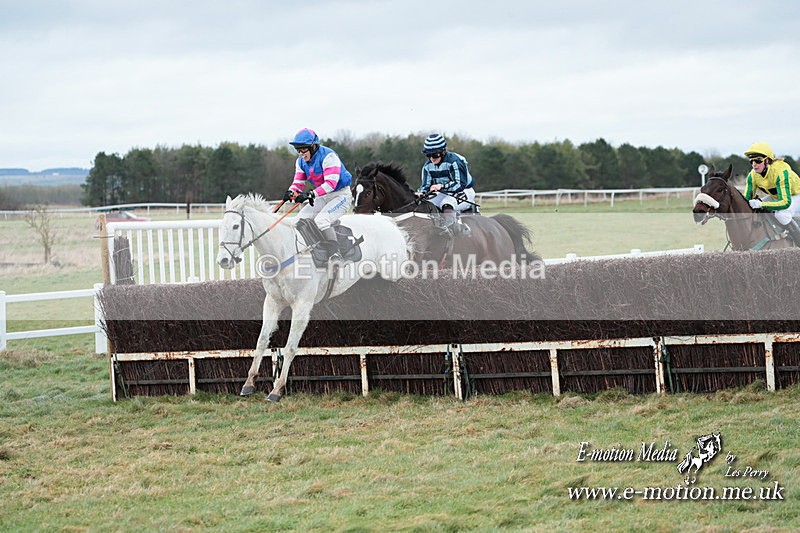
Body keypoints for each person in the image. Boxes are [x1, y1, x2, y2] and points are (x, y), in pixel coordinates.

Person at [283, 128, 353, 265]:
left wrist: (310, 194)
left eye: (304, 150)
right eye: (298, 150)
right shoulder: (300, 162)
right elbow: (298, 183)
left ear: (313, 146)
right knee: (300, 219)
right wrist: (291, 192)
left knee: (322, 220)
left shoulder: (329, 157)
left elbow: (331, 184)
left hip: (341, 195)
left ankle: (335, 253)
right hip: (323, 196)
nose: (301, 154)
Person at [415, 133, 476, 237]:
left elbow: (460, 184)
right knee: (425, 204)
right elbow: (425, 185)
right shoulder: (427, 166)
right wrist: (421, 193)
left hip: (465, 190)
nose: (432, 159)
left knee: (446, 203)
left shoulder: (455, 161)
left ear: (443, 152)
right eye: (428, 155)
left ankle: (456, 229)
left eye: (435, 155)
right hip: (444, 193)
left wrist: (441, 186)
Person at [743, 141, 800, 246]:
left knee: (782, 215)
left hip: (796, 196)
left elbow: (785, 202)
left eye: (758, 160)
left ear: (768, 160)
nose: (754, 164)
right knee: (754, 210)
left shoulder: (781, 171)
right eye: (751, 161)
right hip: (777, 196)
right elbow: (745, 201)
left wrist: (762, 204)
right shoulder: (752, 176)